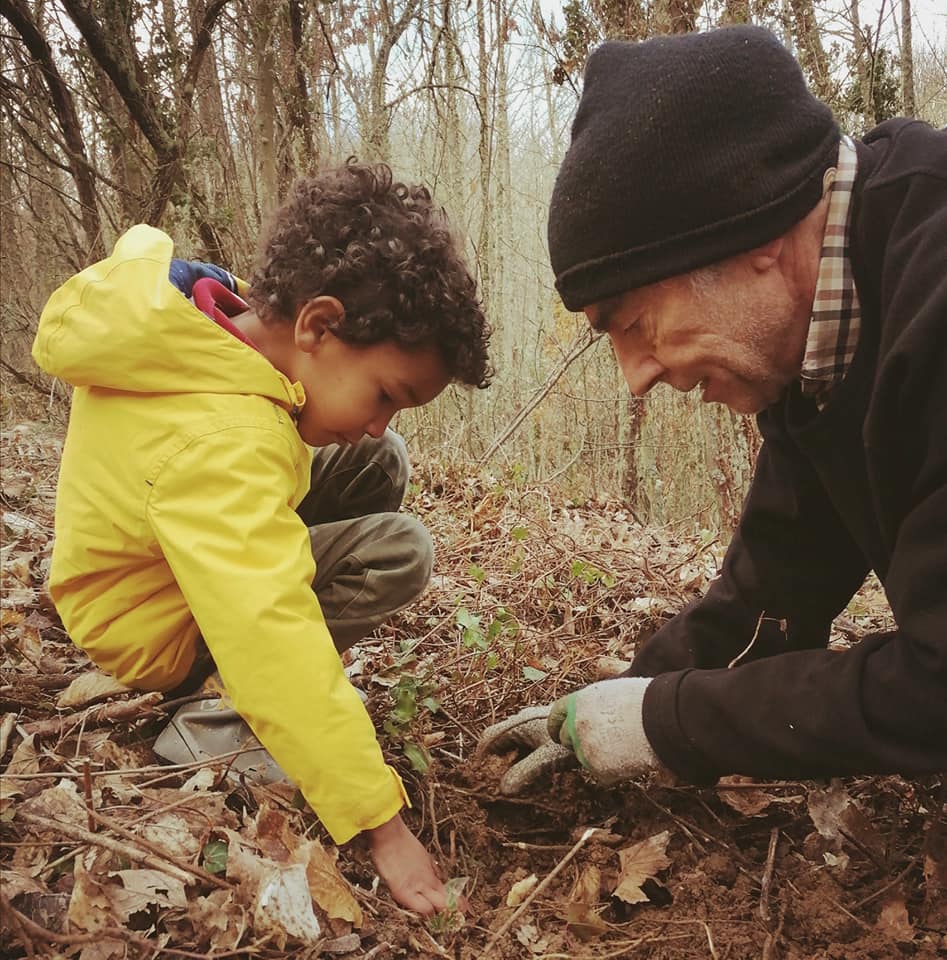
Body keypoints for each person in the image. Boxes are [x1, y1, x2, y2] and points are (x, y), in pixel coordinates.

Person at [480, 25, 947, 792]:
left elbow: (934, 685)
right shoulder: (820, 333)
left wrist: (670, 722)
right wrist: (622, 701)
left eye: (631, 323)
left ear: (752, 236)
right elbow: (775, 587)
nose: (634, 377)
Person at [33, 161, 491, 915]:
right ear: (316, 324)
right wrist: (381, 825)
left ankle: (241, 705)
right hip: (153, 629)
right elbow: (268, 629)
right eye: (385, 394)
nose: (380, 416)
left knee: (375, 460)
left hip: (155, 562)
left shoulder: (194, 318)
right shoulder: (223, 440)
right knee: (396, 550)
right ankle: (210, 729)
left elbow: (140, 249)